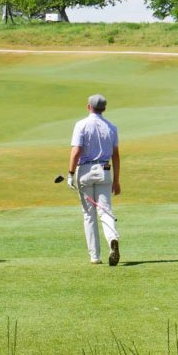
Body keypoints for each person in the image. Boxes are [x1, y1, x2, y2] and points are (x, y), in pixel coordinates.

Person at [67, 93, 121, 266]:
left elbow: (76, 151)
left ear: (89, 107)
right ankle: (112, 239)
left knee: (89, 215)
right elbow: (116, 156)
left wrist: (69, 174)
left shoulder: (81, 125)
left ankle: (95, 256)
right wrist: (117, 180)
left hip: (85, 171)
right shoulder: (111, 127)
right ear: (104, 109)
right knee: (105, 210)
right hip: (105, 170)